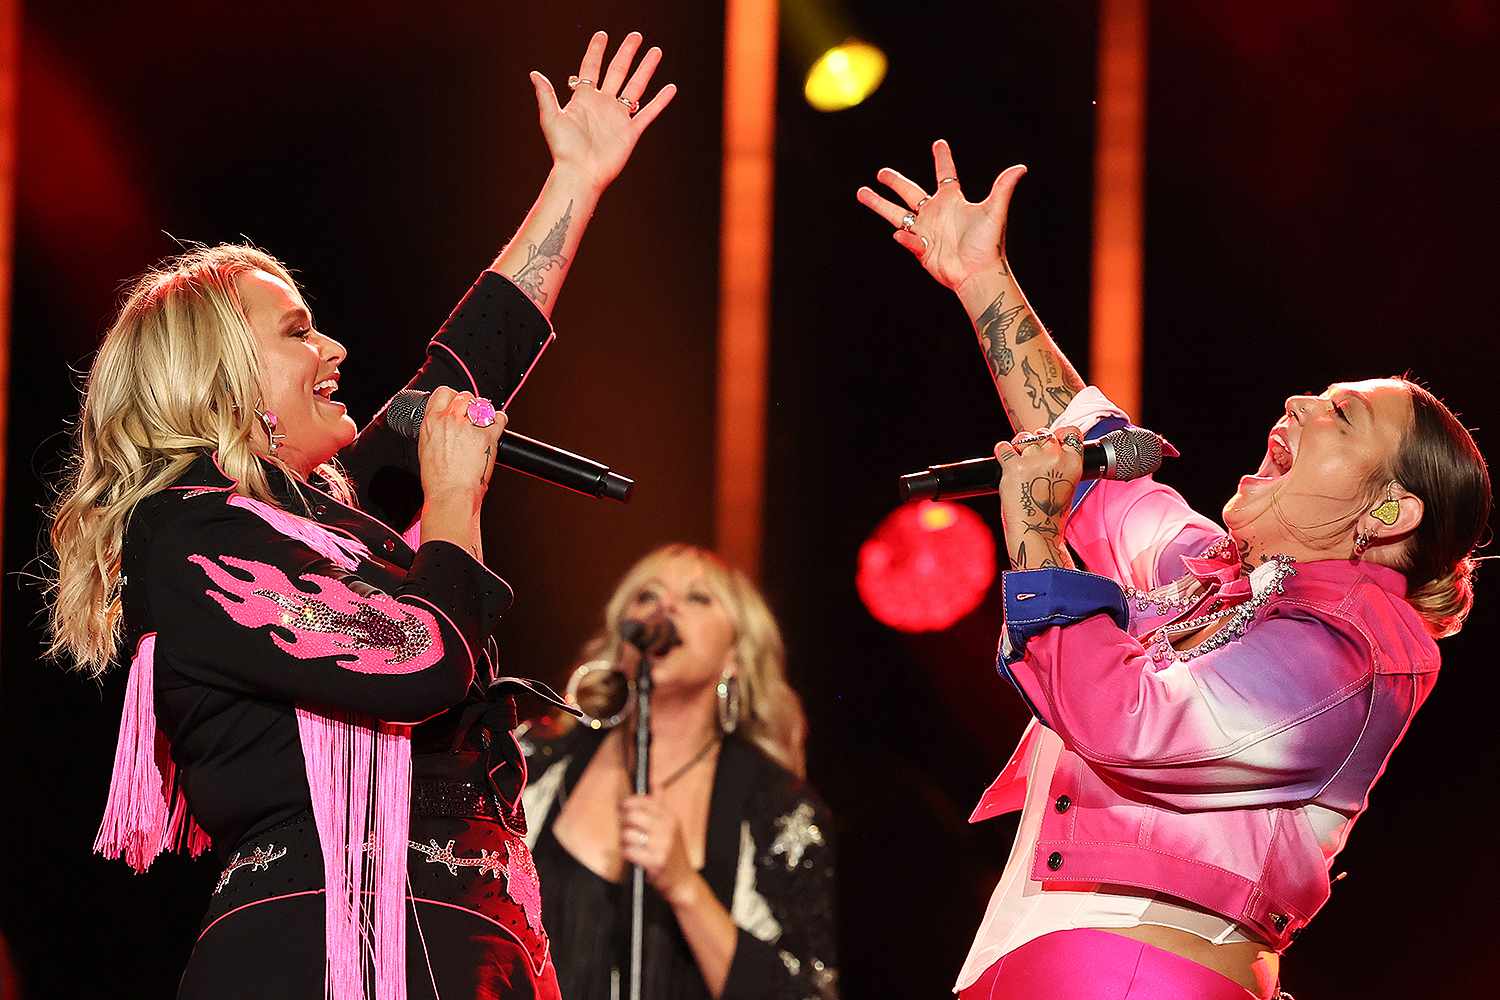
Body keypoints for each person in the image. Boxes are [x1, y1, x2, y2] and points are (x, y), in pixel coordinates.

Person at [45, 30, 675, 1000]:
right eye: (297, 330)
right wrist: (456, 501)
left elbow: (468, 373)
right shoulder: (192, 534)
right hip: (329, 957)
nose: (334, 344)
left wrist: (576, 182)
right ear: (221, 381)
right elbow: (415, 657)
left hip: (467, 948)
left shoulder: (342, 532)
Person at [858, 142, 1491, 999]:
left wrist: (1035, 536)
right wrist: (982, 281)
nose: (1297, 403)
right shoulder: (1216, 576)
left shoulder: (1354, 650)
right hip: (1057, 958)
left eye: (1339, 417)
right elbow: (1096, 462)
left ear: (1390, 511)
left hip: (1130, 971)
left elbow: (1129, 720)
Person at [517, 544, 839, 1000]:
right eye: (646, 595)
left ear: (735, 655)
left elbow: (805, 992)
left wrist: (684, 886)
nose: (664, 607)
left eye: (697, 598)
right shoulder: (537, 762)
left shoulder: (779, 807)